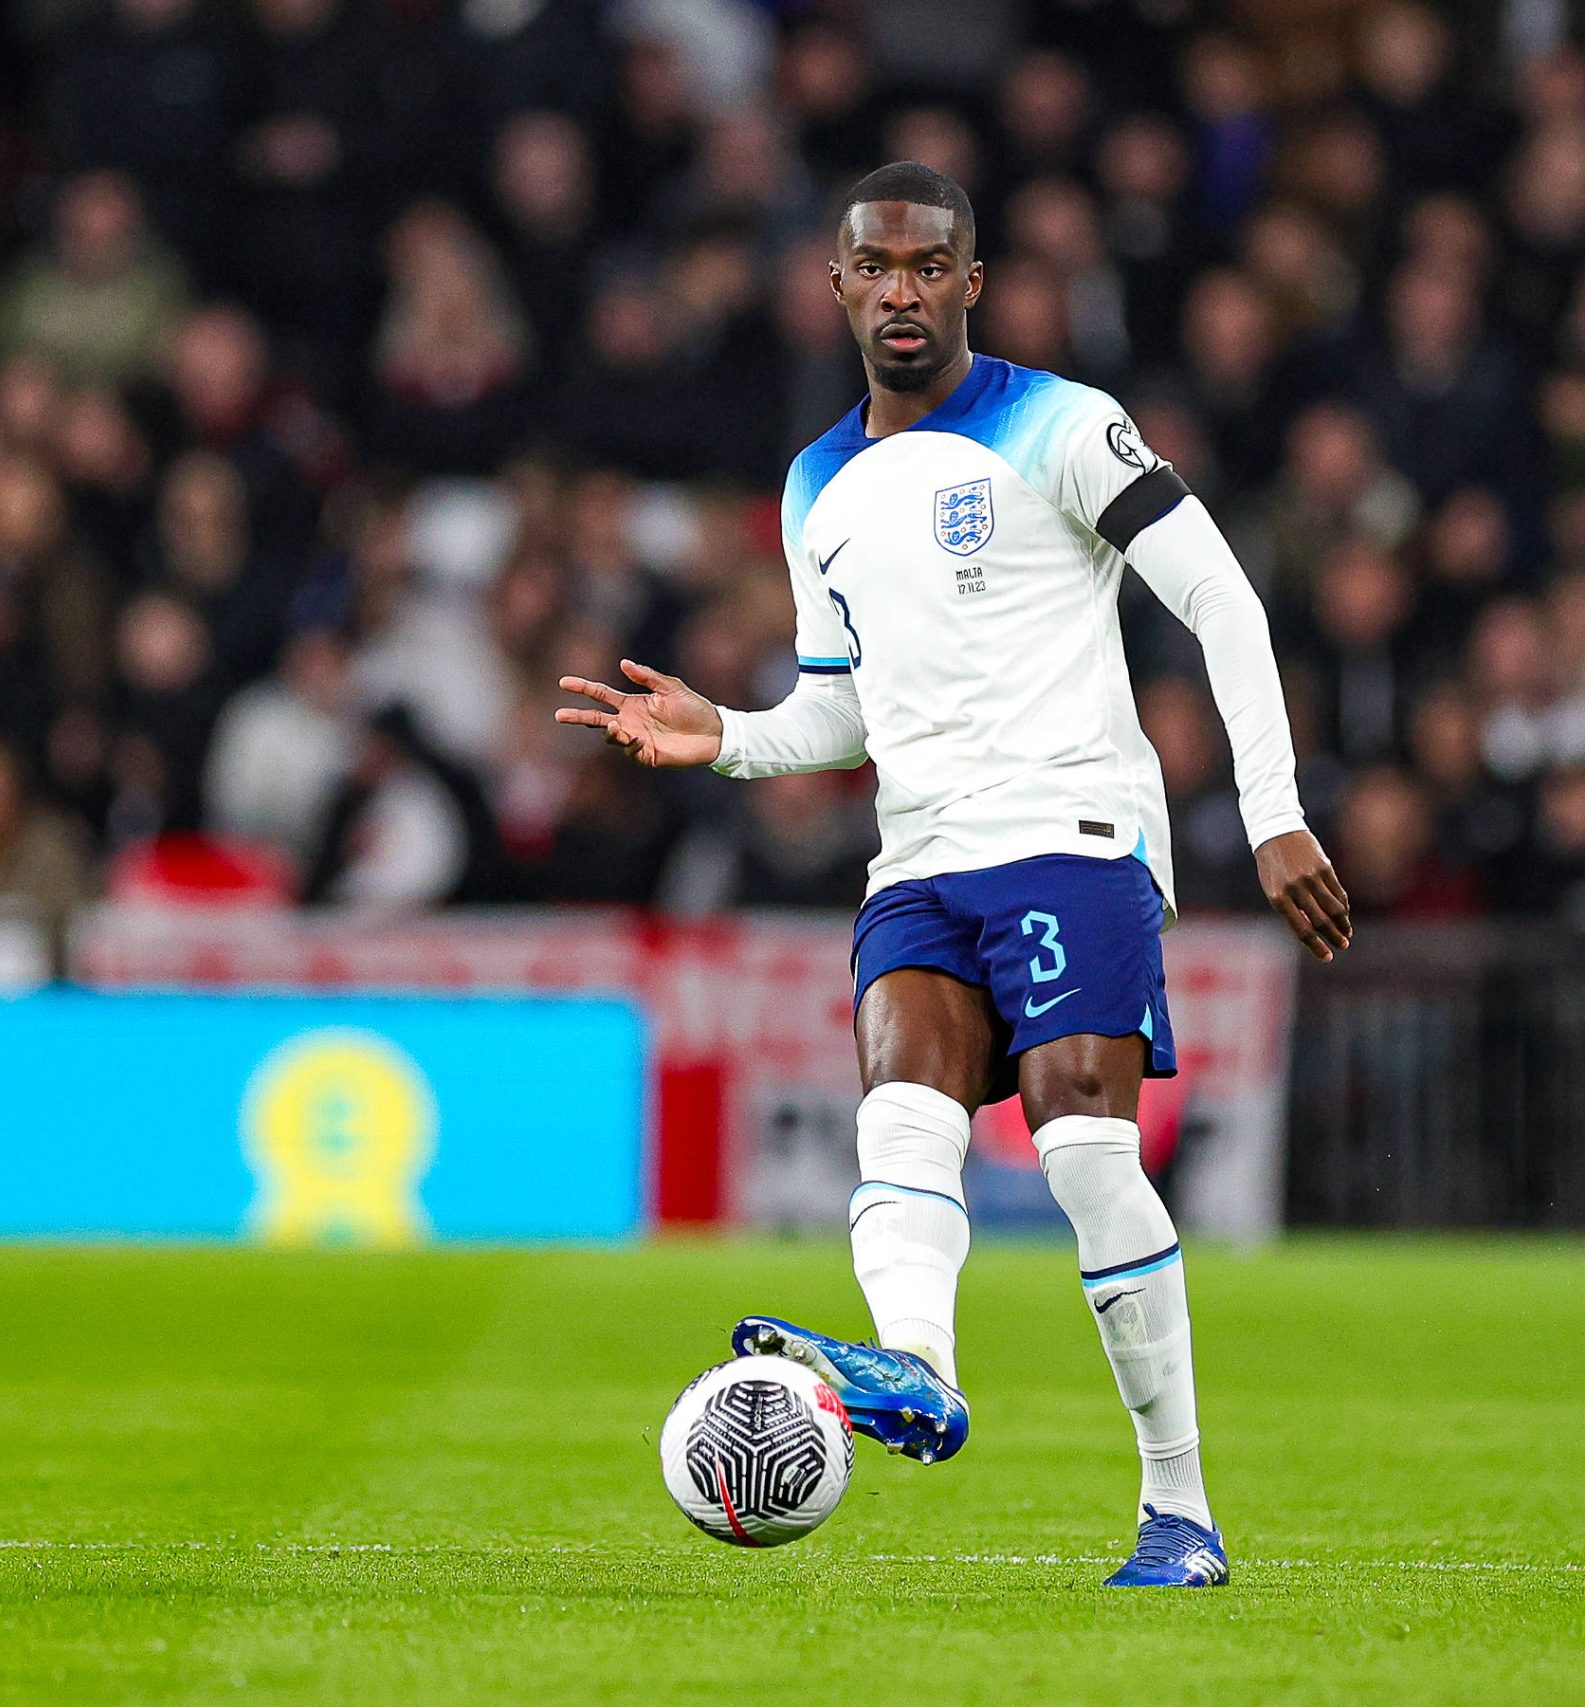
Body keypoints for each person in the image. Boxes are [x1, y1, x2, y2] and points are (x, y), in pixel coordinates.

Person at [557, 163, 1347, 1587]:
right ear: (841, 285)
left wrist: (1273, 808)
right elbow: (844, 710)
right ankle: (919, 1370)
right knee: (901, 1110)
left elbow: (1218, 593)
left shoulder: (1064, 424)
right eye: (879, 266)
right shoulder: (815, 484)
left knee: (1085, 1147)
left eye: (932, 265)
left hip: (1070, 834)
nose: (905, 289)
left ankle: (1182, 1511)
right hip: (918, 855)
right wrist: (723, 735)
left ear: (972, 282)